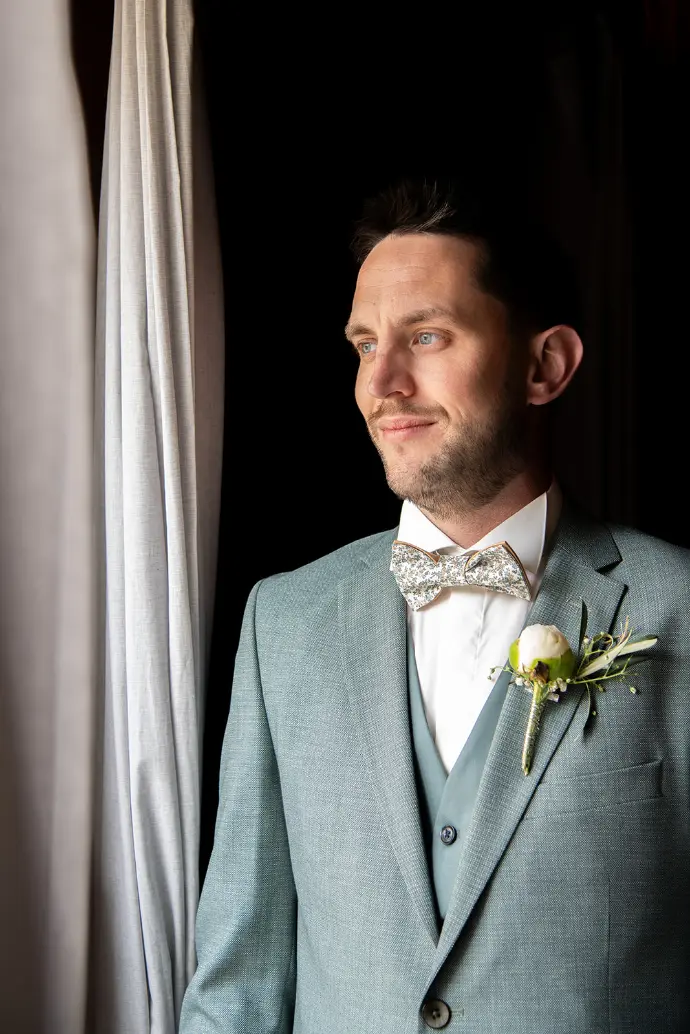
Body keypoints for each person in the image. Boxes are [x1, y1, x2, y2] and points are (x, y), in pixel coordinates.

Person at [179, 180, 690, 1033]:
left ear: (544, 366)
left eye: (426, 335)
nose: (383, 381)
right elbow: (238, 984)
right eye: (363, 343)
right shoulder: (285, 624)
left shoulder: (679, 607)